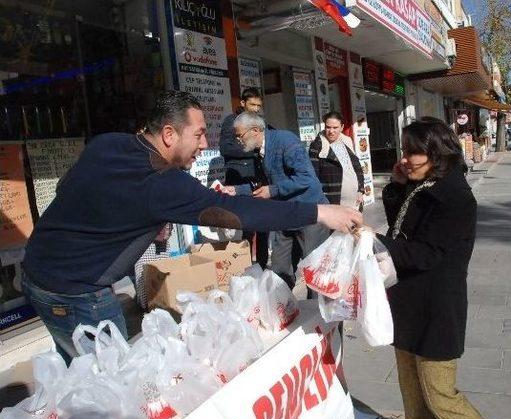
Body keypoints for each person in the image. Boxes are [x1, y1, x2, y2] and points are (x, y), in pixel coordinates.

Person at [21, 91, 362, 363]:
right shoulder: (163, 183)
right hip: (76, 291)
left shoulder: (108, 142)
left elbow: (70, 186)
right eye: (198, 135)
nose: (204, 145)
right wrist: (320, 212)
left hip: (36, 272)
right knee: (108, 385)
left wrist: (131, 218)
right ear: (168, 133)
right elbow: (236, 212)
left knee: (76, 373)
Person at [375, 118, 488, 419]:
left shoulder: (456, 198)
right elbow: (402, 227)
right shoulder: (424, 184)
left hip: (437, 308)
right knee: (412, 394)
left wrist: (372, 241)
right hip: (407, 302)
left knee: (440, 395)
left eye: (412, 152)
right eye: (404, 150)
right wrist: (398, 186)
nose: (404, 159)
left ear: (436, 153)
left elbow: (426, 253)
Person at [226, 112, 330, 290]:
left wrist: (273, 190)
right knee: (279, 269)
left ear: (256, 130)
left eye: (239, 135)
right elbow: (263, 185)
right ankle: (282, 308)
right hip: (286, 214)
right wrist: (236, 190)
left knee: (315, 270)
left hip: (309, 213)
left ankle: (319, 313)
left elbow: (307, 179)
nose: (238, 141)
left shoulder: (285, 142)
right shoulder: (259, 150)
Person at [219, 87, 269, 267]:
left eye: (258, 105)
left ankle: (261, 265)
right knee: (245, 228)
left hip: (258, 180)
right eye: (252, 104)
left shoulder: (260, 122)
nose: (256, 108)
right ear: (242, 103)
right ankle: (245, 266)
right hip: (240, 179)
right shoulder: (231, 122)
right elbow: (226, 149)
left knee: (263, 226)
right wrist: (254, 150)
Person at [309, 111, 365, 211]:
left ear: (342, 127)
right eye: (328, 127)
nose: (331, 131)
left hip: (355, 202)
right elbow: (313, 177)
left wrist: (360, 190)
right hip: (333, 205)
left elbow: (357, 168)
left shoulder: (346, 142)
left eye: (335, 128)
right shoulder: (317, 146)